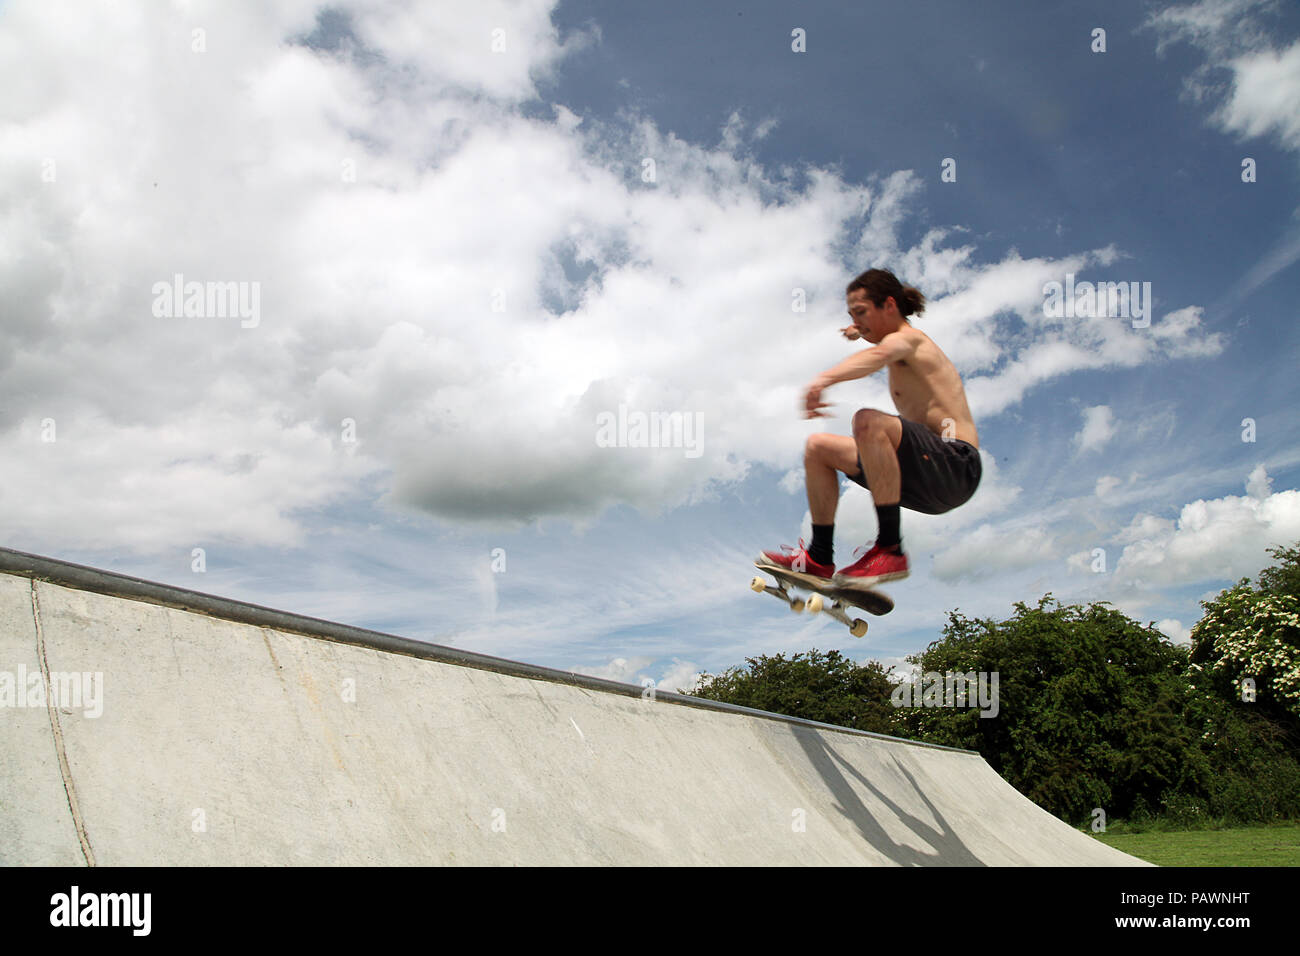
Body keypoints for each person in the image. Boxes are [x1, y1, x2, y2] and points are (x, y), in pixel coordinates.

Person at [758, 268, 981, 587]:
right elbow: (872, 335)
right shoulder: (888, 334)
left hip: (956, 466)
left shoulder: (909, 340)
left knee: (868, 421)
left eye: (862, 313)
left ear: (890, 305)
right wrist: (857, 328)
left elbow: (880, 354)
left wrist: (825, 379)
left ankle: (890, 549)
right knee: (817, 448)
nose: (857, 323)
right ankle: (819, 558)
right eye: (851, 316)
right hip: (923, 476)